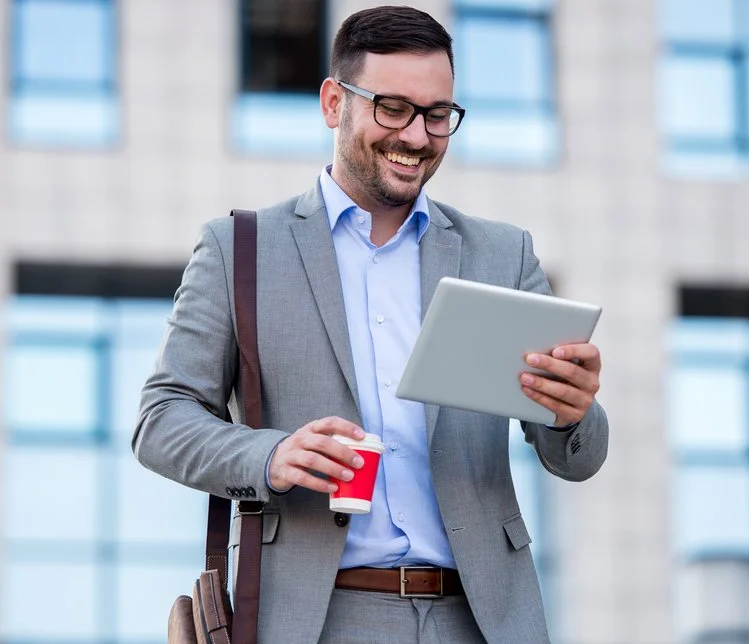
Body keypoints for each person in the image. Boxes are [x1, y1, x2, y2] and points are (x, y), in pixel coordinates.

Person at [133, 6, 608, 643]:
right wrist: (271, 455)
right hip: (313, 618)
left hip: (479, 619)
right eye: (392, 107)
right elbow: (161, 419)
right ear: (334, 103)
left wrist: (573, 412)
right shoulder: (239, 249)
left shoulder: (502, 256)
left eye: (437, 115)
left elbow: (577, 461)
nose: (416, 136)